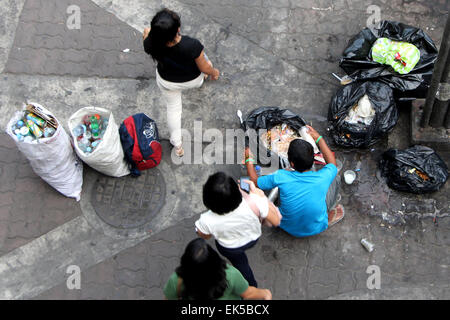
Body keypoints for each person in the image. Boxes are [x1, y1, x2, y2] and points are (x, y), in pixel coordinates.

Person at [143, 8, 220, 157]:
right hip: (192, 80)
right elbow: (204, 67)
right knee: (205, 59)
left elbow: (146, 34)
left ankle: (177, 145)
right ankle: (203, 78)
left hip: (167, 82)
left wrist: (148, 33)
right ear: (178, 29)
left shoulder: (151, 44)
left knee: (173, 110)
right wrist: (213, 72)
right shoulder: (191, 45)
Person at [245, 125, 344, 238]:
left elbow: (255, 181)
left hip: (286, 226)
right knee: (335, 176)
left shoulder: (281, 176)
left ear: (292, 164)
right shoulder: (322, 177)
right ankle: (328, 213)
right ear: (313, 159)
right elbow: (333, 164)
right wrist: (318, 138)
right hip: (317, 227)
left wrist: (249, 159)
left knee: (284, 192)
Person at [195, 172, 281, 288]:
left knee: (241, 265)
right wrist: (261, 197)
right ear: (236, 191)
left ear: (208, 201)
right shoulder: (256, 201)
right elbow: (276, 221)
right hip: (252, 238)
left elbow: (205, 236)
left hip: (229, 248)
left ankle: (250, 286)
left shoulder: (205, 220)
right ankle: (251, 288)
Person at [164, 238, 272, 300]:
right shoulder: (230, 275)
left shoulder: (177, 280)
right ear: (215, 259)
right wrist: (265, 294)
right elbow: (248, 293)